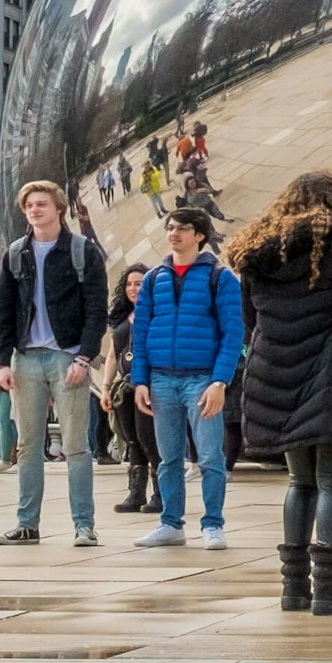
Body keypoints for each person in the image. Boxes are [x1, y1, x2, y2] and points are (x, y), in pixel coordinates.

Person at [230, 168, 332, 617]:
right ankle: (329, 589)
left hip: (275, 376)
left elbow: (250, 321)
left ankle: (293, 589)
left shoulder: (256, 252)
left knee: (300, 482)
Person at [0, 177, 110, 548]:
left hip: (66, 357)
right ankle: (27, 524)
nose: (34, 210)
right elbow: (2, 312)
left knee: (75, 446)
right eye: (29, 205)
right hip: (25, 360)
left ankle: (84, 525)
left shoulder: (81, 250)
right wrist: (1, 362)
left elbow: (96, 309)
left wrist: (84, 356)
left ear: (59, 208)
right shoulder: (16, 253)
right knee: (27, 445)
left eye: (41, 204)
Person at [131, 208, 247, 550]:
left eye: (182, 228)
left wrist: (220, 381)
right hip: (162, 380)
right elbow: (141, 332)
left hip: (202, 380)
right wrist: (140, 380)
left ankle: (213, 524)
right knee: (168, 459)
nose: (174, 233)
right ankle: (171, 523)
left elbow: (233, 332)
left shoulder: (220, 278)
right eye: (170, 228)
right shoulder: (154, 278)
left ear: (199, 234)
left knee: (210, 457)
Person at [104, 263, 157, 516]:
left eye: (138, 283)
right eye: (129, 284)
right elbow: (113, 356)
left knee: (150, 439)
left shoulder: (157, 313)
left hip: (149, 386)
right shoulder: (121, 318)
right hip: (124, 388)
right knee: (132, 439)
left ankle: (161, 493)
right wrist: (105, 387)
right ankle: (136, 493)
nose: (133, 289)